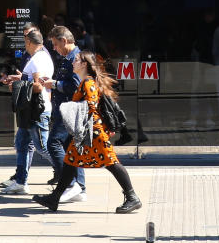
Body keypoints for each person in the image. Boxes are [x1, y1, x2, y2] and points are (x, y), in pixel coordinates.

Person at [33, 51, 142, 214]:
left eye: (76, 60)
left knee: (111, 163)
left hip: (93, 133)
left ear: (84, 64)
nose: (73, 63)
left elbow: (91, 106)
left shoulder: (88, 82)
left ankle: (132, 197)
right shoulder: (86, 82)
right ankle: (54, 198)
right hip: (88, 131)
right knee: (70, 161)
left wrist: (69, 108)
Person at [0, 27, 55, 195]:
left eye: (25, 41)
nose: (25, 44)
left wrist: (17, 86)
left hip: (36, 109)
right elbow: (32, 80)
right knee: (22, 144)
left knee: (43, 146)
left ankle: (70, 172)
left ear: (29, 42)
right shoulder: (40, 57)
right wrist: (19, 78)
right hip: (30, 109)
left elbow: (37, 86)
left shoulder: (37, 59)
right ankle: (21, 182)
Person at [37, 25, 86, 202]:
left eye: (56, 45)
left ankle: (72, 184)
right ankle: (79, 188)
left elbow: (75, 86)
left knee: (53, 143)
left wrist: (55, 84)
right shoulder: (68, 58)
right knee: (72, 150)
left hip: (69, 111)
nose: (55, 49)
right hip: (66, 111)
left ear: (64, 41)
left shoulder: (76, 58)